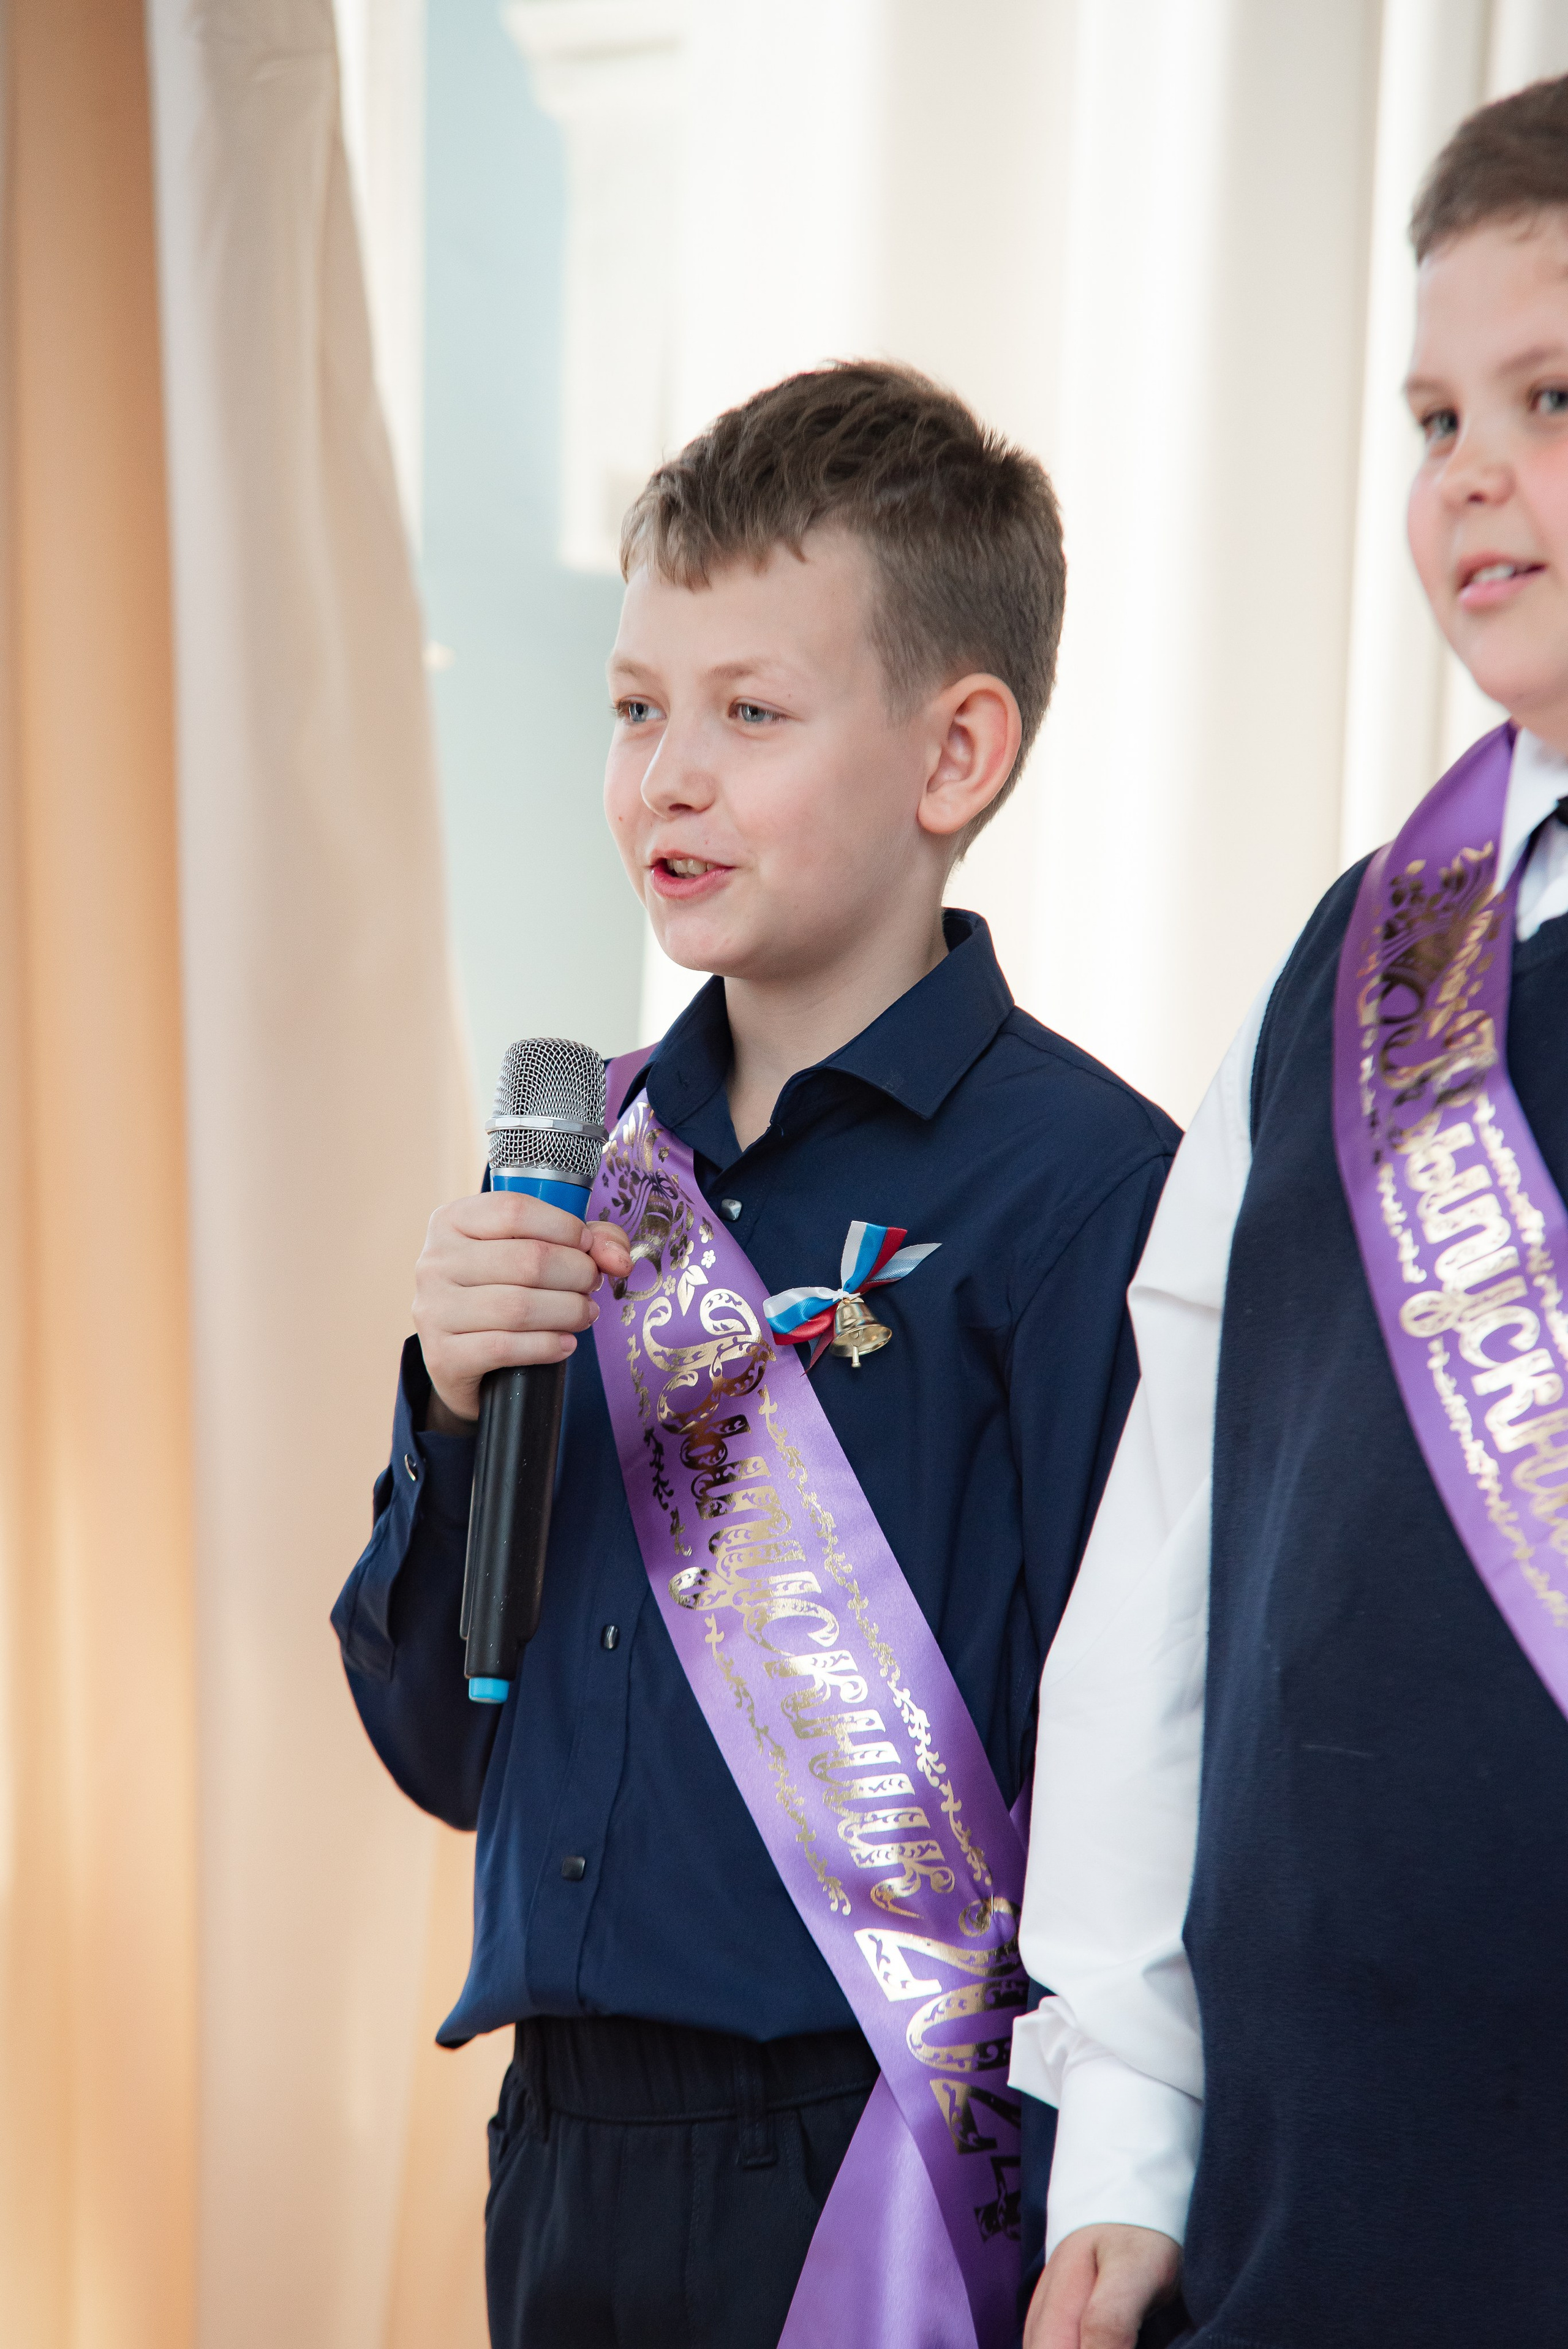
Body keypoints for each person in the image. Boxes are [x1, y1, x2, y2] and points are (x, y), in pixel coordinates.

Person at [331, 362, 1178, 2348]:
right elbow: (445, 1740)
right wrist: (447, 1404)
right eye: (635, 708)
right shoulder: (585, 1167)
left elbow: (1143, 1755)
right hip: (564, 2147)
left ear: (956, 751)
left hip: (886, 2153)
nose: (667, 778)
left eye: (751, 713)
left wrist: (1115, 2176)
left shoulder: (1087, 1192)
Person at [1011, 74, 1568, 2349]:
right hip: (1314, 2173)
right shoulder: (1356, 962)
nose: (1473, 473)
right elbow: (1173, 1549)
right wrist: (1131, 2119)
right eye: (1436, 418)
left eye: (1551, 398)